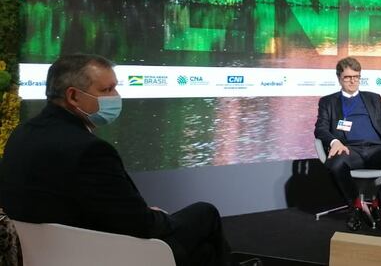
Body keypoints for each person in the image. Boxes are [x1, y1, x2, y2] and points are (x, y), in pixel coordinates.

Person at [0, 54, 256, 266]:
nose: (116, 96)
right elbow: (142, 226)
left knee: (202, 252)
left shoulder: (22, 134)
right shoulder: (89, 150)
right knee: (205, 214)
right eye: (107, 89)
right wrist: (155, 216)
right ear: (73, 96)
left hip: (43, 254)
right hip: (101, 253)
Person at [314, 57, 381, 231]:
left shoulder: (374, 99)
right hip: (349, 150)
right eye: (348, 77)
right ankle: (355, 205)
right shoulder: (328, 101)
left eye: (356, 76)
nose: (353, 81)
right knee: (335, 164)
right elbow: (321, 129)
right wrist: (334, 141)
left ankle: (377, 205)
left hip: (377, 149)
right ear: (339, 77)